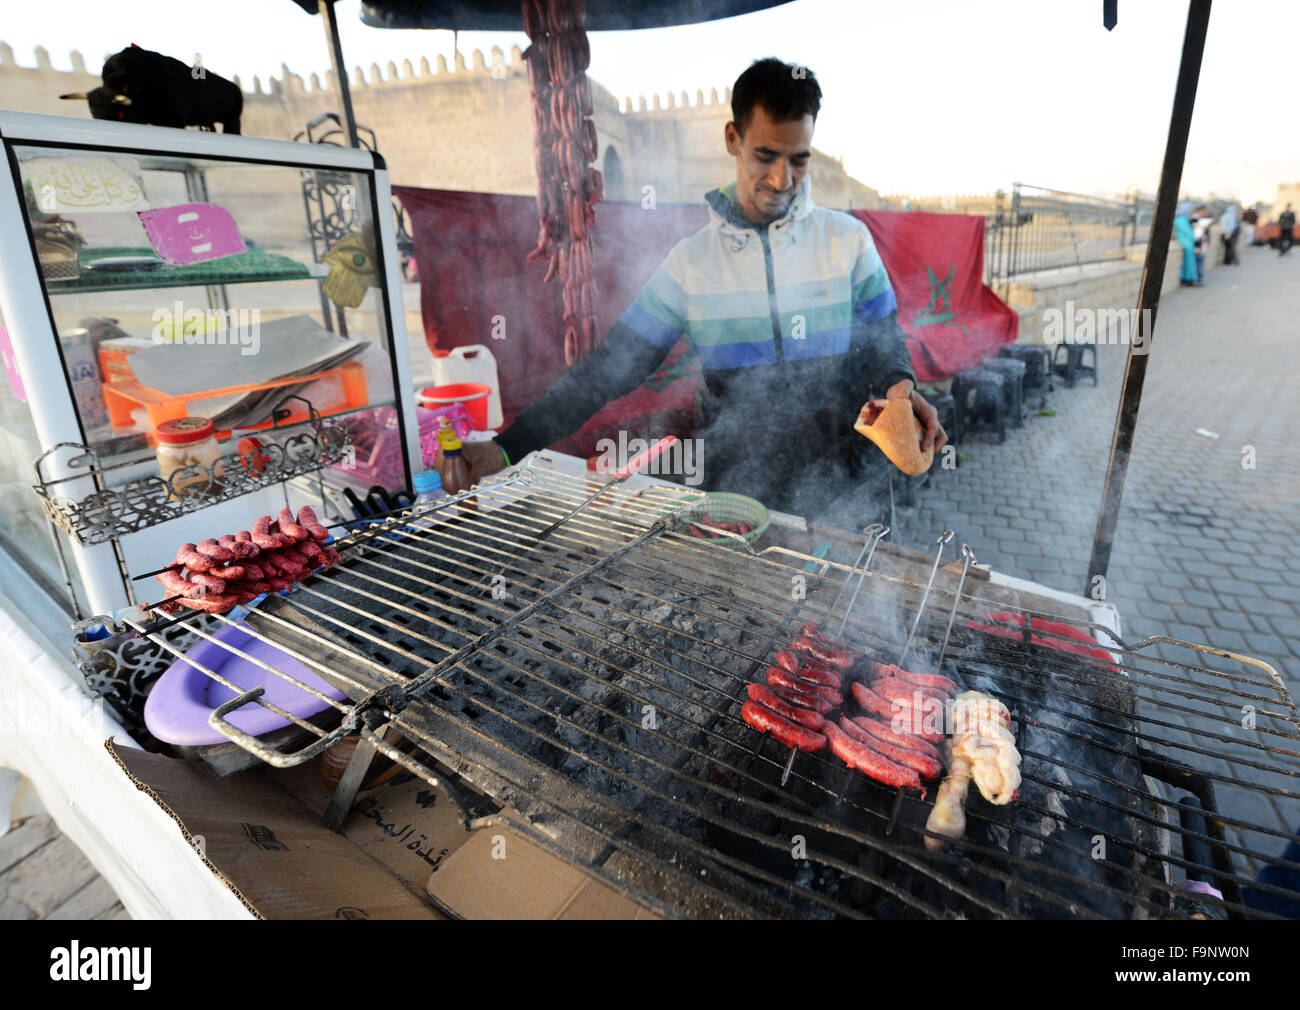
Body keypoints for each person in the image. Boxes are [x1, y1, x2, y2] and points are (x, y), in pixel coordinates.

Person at [464, 58, 946, 528]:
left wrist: (900, 387)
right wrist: (510, 444)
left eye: (799, 159)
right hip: (740, 493)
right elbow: (608, 369)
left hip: (845, 488)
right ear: (733, 140)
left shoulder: (848, 242)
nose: (782, 180)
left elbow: (883, 341)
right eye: (766, 156)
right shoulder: (690, 265)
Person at [1174, 203, 1199, 286]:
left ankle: (1190, 279)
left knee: (1190, 262)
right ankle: (1189, 279)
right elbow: (1188, 232)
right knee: (1189, 263)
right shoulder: (1180, 220)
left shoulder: (1184, 219)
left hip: (1188, 243)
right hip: (1186, 243)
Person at [1191, 206, 1211, 281]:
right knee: (1198, 261)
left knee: (1200, 260)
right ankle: (1197, 278)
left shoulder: (1200, 218)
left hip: (1201, 243)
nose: (1204, 212)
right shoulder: (1195, 218)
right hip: (1198, 244)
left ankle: (1199, 278)